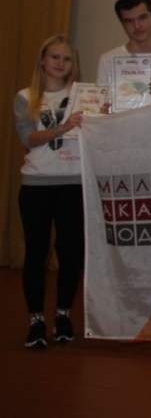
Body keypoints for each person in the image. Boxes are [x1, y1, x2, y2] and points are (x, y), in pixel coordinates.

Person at [14, 35, 86, 349]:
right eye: (55, 57)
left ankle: (63, 316)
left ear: (73, 64)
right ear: (43, 60)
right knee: (36, 253)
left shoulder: (81, 95)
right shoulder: (26, 96)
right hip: (37, 185)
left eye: (66, 59)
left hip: (73, 183)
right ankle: (36, 320)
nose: (60, 63)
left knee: (70, 254)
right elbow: (28, 139)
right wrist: (62, 128)